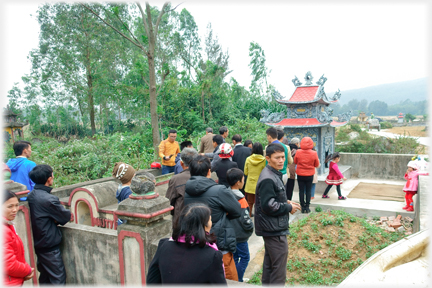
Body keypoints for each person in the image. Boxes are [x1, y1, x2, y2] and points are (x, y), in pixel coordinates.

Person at [184, 155, 241, 281]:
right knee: (228, 277)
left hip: (196, 241)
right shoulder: (219, 190)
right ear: (209, 171)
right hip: (218, 240)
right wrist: (224, 215)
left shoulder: (187, 190)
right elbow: (237, 210)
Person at [254, 144, 301, 285]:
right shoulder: (268, 177)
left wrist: (283, 200)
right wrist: (287, 207)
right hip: (273, 228)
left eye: (283, 157)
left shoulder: (273, 173)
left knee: (270, 265)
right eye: (277, 158)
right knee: (279, 269)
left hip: (271, 227)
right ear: (268, 158)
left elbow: (270, 199)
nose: (281, 161)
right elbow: (268, 205)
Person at [146, 203, 226, 284]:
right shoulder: (213, 256)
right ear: (204, 226)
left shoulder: (164, 245)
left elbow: (152, 280)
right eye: (210, 220)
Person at [27, 164, 72, 284]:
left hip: (38, 243)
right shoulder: (49, 199)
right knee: (58, 278)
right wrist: (55, 219)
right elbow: (65, 217)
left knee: (45, 277)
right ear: (49, 179)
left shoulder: (31, 196)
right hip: (49, 246)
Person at [226, 168, 254, 283]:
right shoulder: (241, 200)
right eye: (243, 179)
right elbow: (245, 220)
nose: (244, 181)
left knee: (235, 257)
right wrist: (250, 228)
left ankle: (235, 278)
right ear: (238, 182)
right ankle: (238, 279)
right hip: (240, 235)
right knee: (245, 257)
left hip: (230, 234)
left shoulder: (225, 195)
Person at [3, 190, 35, 286]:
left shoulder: (8, 225)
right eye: (10, 206)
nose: (15, 210)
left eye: (16, 205)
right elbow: (8, 264)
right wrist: (27, 270)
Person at [166, 148, 198, 226]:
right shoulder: (203, 176)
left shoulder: (176, 179)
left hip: (181, 220)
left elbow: (169, 201)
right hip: (200, 218)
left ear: (181, 163)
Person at [294, 137, 320, 213]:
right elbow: (316, 164)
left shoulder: (298, 152)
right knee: (308, 191)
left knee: (301, 190)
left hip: (300, 174)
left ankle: (302, 207)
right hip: (309, 175)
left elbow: (295, 161)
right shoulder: (314, 153)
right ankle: (307, 207)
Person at [244, 142, 266, 214]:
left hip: (250, 184)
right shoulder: (264, 160)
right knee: (259, 203)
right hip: (260, 184)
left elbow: (245, 172)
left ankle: (249, 216)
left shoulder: (248, 159)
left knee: (250, 202)